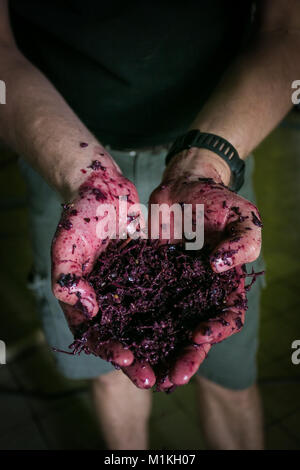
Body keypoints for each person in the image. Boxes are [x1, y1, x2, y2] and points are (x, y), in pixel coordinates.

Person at [0, 0, 298, 450]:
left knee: (231, 379)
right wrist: (85, 179)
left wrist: (206, 163)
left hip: (215, 163)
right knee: (109, 372)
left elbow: (287, 33)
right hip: (63, 160)